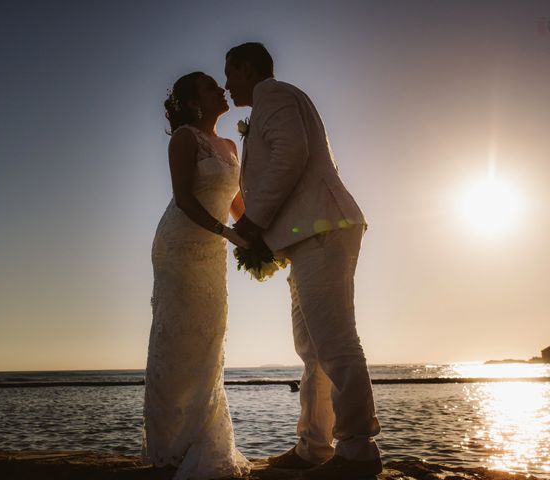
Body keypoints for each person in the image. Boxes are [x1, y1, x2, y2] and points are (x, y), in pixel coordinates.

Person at [225, 42, 382, 480]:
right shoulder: (270, 104)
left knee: (335, 341)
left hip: (323, 229)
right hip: (307, 237)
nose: (226, 82)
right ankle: (315, 447)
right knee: (312, 349)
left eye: (230, 71)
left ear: (248, 67)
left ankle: (358, 451)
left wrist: (254, 224)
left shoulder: (273, 95)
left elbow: (289, 154)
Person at [141, 71, 251, 480]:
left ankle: (202, 438)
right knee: (178, 339)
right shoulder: (185, 139)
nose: (220, 89)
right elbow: (185, 200)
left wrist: (262, 237)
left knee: (209, 336)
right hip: (180, 247)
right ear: (192, 102)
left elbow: (239, 205)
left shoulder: (231, 145)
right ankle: (169, 447)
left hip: (214, 251)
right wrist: (230, 235)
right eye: (209, 86)